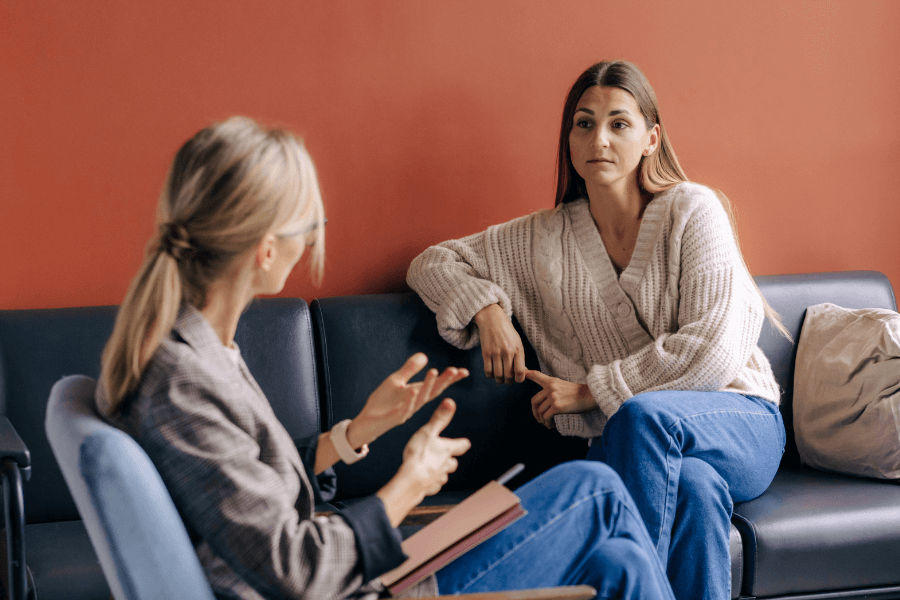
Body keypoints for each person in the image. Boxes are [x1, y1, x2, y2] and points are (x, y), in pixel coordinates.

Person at [96, 116, 674, 600]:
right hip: (352, 585)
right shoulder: (182, 382)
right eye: (309, 223)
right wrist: (408, 486)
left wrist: (358, 431)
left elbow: (252, 488)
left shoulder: (197, 349)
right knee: (595, 487)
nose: (313, 239)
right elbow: (296, 570)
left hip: (353, 572)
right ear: (265, 247)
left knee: (618, 565)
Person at [406, 60, 788, 600]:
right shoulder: (544, 237)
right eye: (584, 124)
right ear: (568, 140)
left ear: (651, 138)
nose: (599, 139)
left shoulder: (693, 210)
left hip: (738, 419)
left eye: (619, 124)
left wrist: (589, 392)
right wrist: (488, 310)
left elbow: (712, 350)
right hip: (639, 445)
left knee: (641, 416)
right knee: (696, 491)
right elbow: (432, 263)